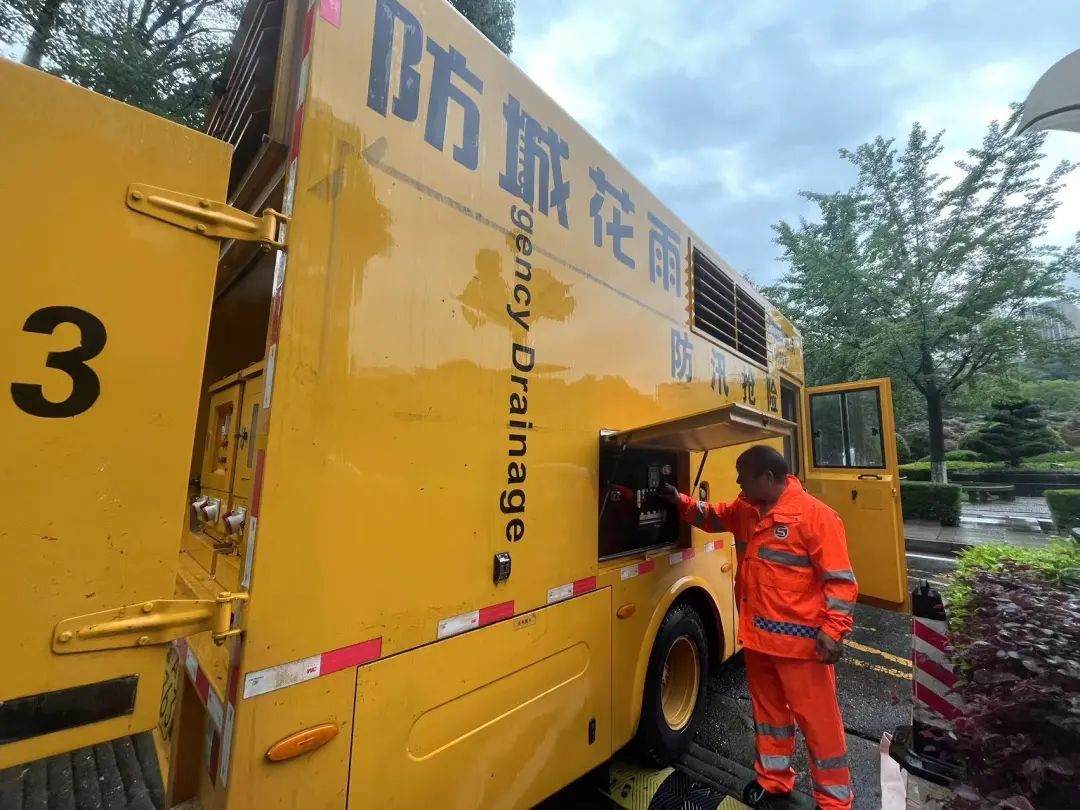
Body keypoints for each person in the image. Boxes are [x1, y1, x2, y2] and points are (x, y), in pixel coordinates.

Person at [660, 445, 857, 810]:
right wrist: (679, 501)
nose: (736, 482)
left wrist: (833, 632)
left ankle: (834, 802)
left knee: (819, 725)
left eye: (742, 476)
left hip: (803, 649)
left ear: (766, 478)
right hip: (759, 641)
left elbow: (841, 582)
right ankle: (774, 780)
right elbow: (711, 515)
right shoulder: (748, 510)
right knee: (769, 718)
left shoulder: (817, 518)